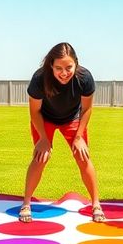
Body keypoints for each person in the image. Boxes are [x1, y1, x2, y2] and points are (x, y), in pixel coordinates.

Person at [19, 42, 105, 223]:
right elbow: (34, 111)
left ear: (76, 63)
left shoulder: (84, 78)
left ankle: (96, 203)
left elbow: (87, 109)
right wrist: (43, 138)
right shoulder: (39, 78)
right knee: (41, 157)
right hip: (45, 119)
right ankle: (26, 203)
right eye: (58, 68)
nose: (64, 73)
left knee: (83, 156)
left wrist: (79, 137)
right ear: (51, 65)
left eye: (68, 67)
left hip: (72, 119)